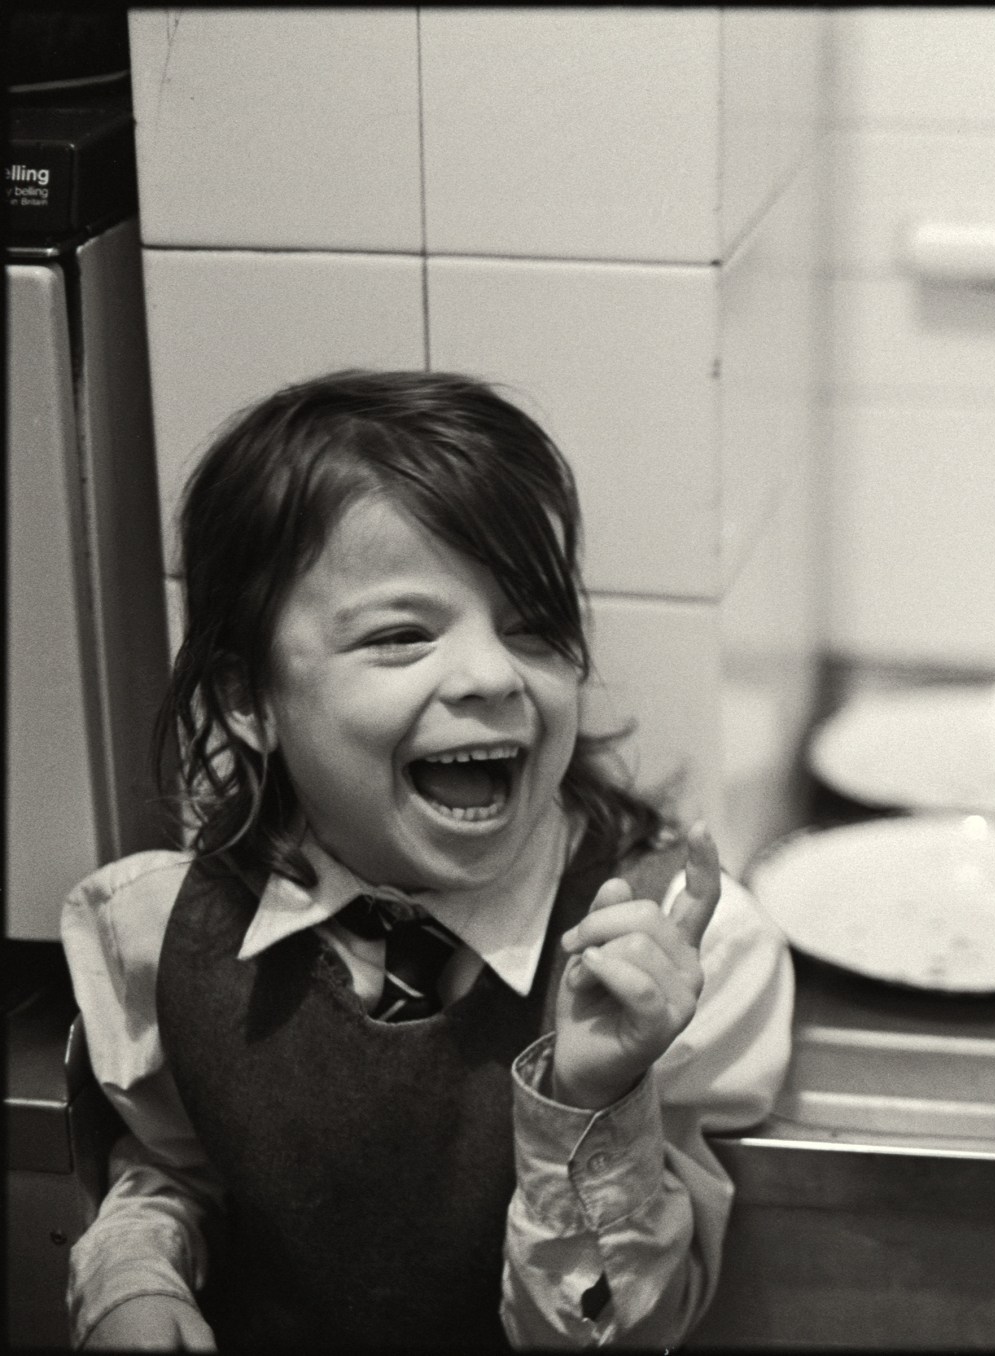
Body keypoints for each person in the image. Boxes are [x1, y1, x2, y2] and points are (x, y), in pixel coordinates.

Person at [59, 369, 794, 1349]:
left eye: (532, 628)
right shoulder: (164, 937)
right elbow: (184, 1171)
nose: (492, 673)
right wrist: (132, 1271)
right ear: (249, 701)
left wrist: (592, 1101)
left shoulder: (679, 960)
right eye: (403, 636)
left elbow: (624, 1334)